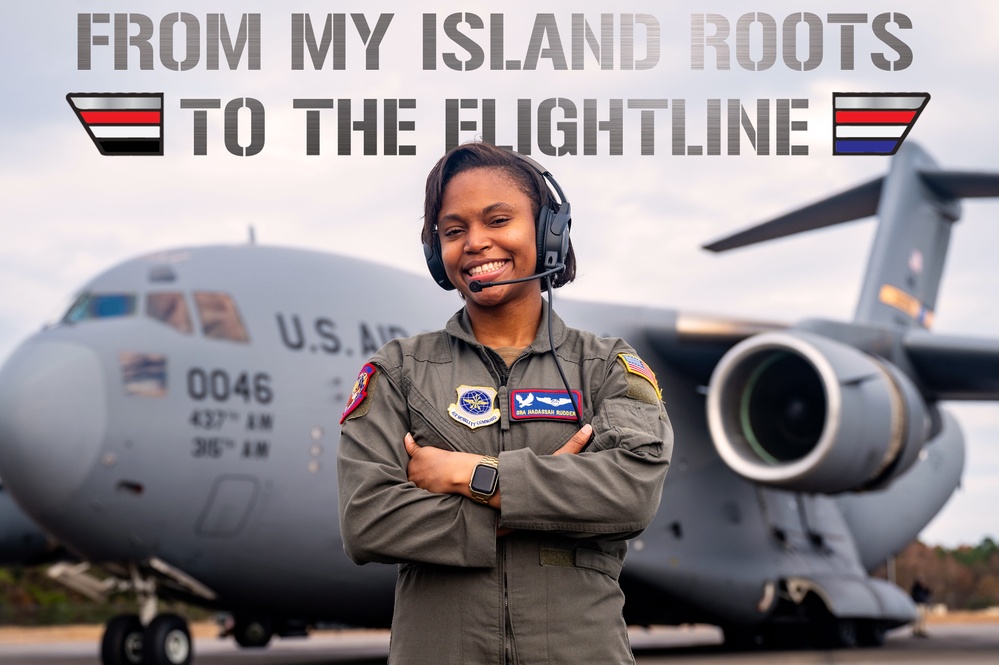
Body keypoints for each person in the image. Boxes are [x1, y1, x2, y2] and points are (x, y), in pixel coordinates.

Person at [337, 142, 673, 664]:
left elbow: (631, 492)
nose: (475, 243)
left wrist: (471, 475)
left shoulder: (605, 367)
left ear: (547, 231)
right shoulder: (400, 371)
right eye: (453, 231)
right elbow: (367, 520)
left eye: (498, 219)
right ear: (436, 252)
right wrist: (536, 500)